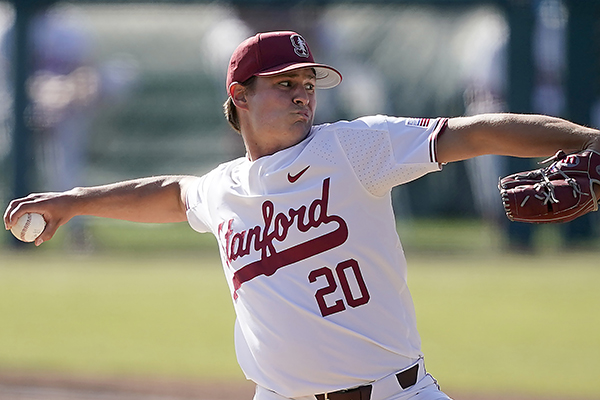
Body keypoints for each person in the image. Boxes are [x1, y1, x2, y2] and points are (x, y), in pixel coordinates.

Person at [4, 31, 600, 400]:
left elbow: (476, 133)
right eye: (284, 83)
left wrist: (589, 141)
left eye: (309, 82)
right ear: (239, 96)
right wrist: (70, 202)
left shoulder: (352, 148)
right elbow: (170, 193)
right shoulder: (225, 188)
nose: (302, 93)